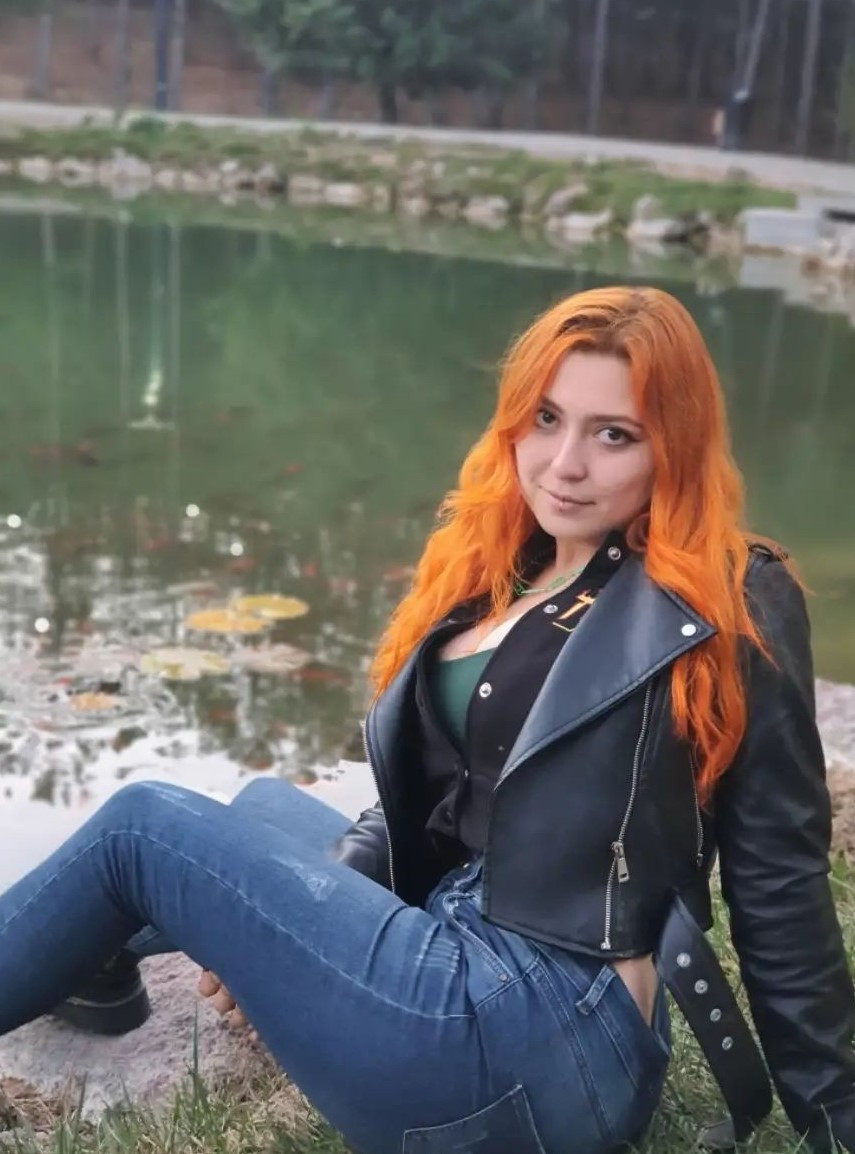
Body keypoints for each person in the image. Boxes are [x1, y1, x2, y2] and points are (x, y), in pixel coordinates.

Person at [2, 286, 854, 1154]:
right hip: (464, 951)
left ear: (673, 444)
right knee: (258, 810)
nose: (564, 463)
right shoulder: (513, 565)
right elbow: (441, 804)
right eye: (546, 418)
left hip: (535, 1036)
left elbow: (779, 882)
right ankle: (93, 960)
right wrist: (302, 919)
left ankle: (83, 937)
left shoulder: (723, 597)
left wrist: (833, 1120)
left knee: (143, 831)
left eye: (613, 435)